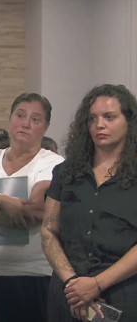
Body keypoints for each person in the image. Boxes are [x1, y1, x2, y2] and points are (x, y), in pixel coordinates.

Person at [42, 84, 137, 321]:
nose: (99, 124)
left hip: (123, 294)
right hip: (69, 293)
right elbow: (48, 230)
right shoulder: (65, 172)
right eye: (92, 118)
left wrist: (96, 284)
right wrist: (74, 283)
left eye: (109, 117)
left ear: (129, 122)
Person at [0, 93, 64, 322]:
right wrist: (6, 203)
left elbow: (37, 210)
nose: (26, 123)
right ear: (10, 118)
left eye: (36, 119)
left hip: (33, 274)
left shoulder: (51, 162)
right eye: (20, 115)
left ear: (46, 126)